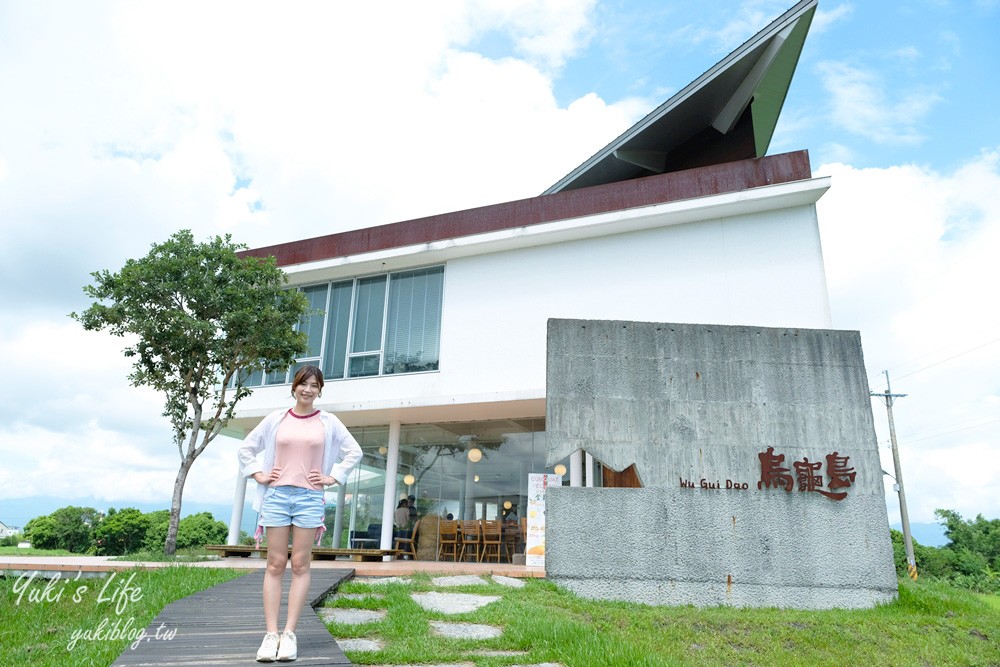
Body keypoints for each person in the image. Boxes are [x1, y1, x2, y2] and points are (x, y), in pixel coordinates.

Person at [238, 365, 362, 663]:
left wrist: (333, 477)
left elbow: (353, 451)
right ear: (294, 387)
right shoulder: (276, 419)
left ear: (320, 390)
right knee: (275, 563)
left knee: (301, 564)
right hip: (277, 495)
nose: (308, 390)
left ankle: (290, 634)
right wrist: (259, 474)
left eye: (314, 385)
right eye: (303, 384)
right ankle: (270, 635)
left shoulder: (328, 422)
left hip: (309, 498)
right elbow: (246, 448)